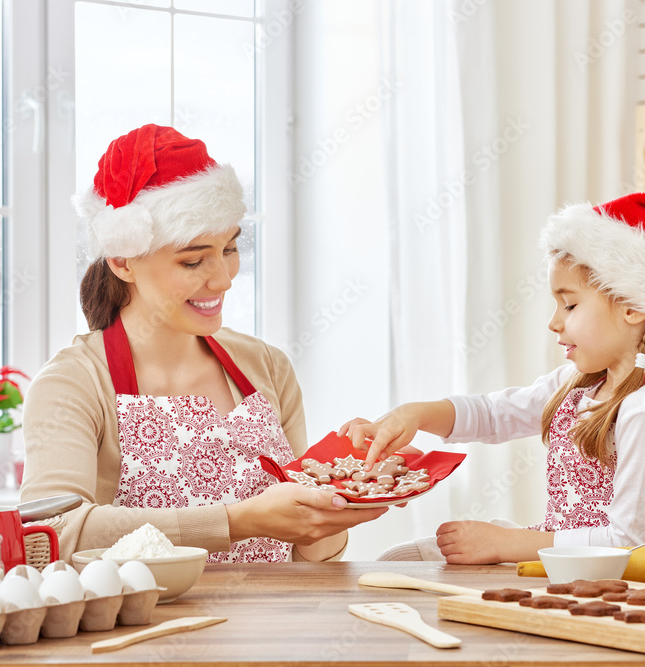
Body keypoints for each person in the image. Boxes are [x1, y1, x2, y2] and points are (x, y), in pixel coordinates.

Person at [21, 124, 387, 562]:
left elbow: (309, 558)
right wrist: (237, 522)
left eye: (230, 249)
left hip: (274, 624)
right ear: (122, 262)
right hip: (149, 627)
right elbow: (48, 535)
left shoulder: (266, 365)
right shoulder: (74, 383)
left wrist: (339, 490)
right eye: (193, 260)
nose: (224, 278)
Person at [340, 193, 645, 564]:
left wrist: (507, 543)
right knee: (398, 559)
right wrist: (412, 415)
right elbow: (493, 413)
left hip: (603, 584)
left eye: (569, 305)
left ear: (634, 306)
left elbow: (630, 543)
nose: (554, 323)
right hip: (558, 561)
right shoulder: (579, 383)